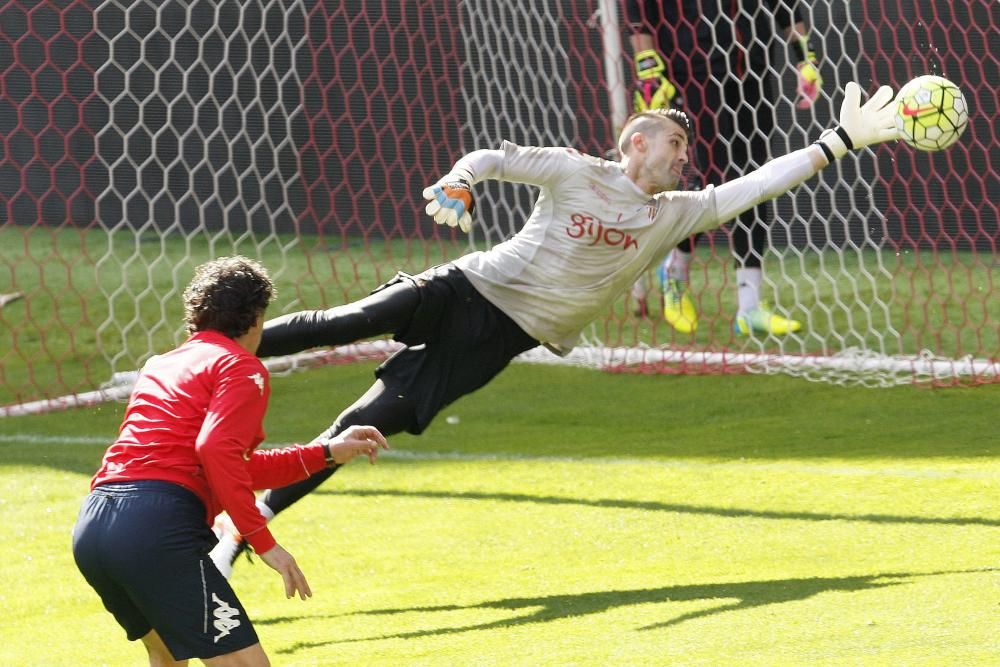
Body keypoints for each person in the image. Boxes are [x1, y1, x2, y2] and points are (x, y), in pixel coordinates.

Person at [211, 83, 900, 576]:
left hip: (499, 338)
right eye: (676, 142)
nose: (686, 156)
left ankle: (241, 531)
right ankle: (203, 349)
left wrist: (835, 142)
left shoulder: (678, 212)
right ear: (636, 142)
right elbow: (491, 159)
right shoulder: (576, 172)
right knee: (349, 320)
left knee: (362, 426)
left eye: (688, 147)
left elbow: (760, 184)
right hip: (466, 286)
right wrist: (460, 181)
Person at [71, 256, 389, 666]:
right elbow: (217, 451)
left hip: (95, 528)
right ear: (256, 318)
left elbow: (226, 465)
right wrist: (263, 541)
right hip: (155, 527)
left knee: (166, 654)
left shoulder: (160, 365)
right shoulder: (241, 367)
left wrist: (325, 454)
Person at [626, 0, 824, 335]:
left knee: (756, 176)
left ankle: (750, 308)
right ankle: (675, 269)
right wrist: (649, 73)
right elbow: (640, 15)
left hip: (753, 65)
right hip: (695, 71)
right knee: (720, 175)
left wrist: (806, 59)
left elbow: (785, 7)